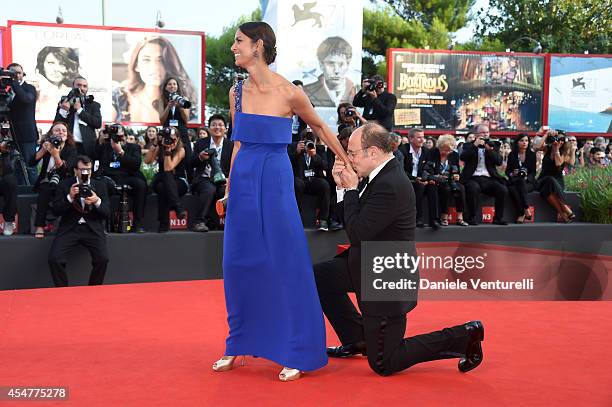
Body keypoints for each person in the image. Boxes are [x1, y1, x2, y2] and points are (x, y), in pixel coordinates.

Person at [213, 21, 350, 382]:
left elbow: (319, 127)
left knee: (286, 262)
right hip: (242, 182)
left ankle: (299, 350)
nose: (233, 47)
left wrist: (344, 159)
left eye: (238, 41)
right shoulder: (236, 93)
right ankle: (239, 342)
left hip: (274, 181)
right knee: (239, 262)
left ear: (258, 46)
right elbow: (238, 143)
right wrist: (229, 186)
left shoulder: (289, 92)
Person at [314, 123, 484, 376]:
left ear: (372, 152)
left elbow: (357, 233)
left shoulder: (389, 184)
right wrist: (343, 189)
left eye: (351, 152)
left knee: (384, 363)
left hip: (386, 277)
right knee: (319, 277)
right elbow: (353, 220)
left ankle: (464, 335)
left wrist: (349, 189)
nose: (347, 158)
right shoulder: (381, 175)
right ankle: (357, 339)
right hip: (368, 262)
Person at [48, 155, 110, 287]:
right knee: (54, 259)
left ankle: (94, 289)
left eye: (88, 169)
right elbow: (56, 210)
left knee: (103, 259)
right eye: (82, 170)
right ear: (75, 170)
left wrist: (97, 201)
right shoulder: (65, 184)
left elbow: (106, 212)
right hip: (70, 227)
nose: (86, 173)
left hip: (92, 228)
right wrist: (69, 197)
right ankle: (62, 291)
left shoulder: (99, 185)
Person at [112, 36, 198, 123]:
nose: (155, 67)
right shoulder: (119, 95)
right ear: (136, 66)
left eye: (160, 60)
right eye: (146, 60)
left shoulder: (183, 100)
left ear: (169, 64)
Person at [95, 124, 147, 233]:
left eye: (121, 136)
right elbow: (94, 156)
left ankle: (138, 223)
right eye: (116, 136)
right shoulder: (104, 147)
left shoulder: (134, 147)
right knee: (101, 184)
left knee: (140, 185)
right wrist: (100, 139)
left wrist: (121, 152)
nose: (119, 138)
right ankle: (104, 224)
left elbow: (136, 164)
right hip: (109, 177)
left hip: (127, 176)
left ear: (125, 136)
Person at [31, 121, 77, 238]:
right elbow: (31, 163)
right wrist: (43, 150)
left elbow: (65, 171)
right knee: (45, 189)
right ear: (51, 133)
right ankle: (40, 226)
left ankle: (64, 226)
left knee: (61, 191)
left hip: (64, 181)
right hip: (46, 181)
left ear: (67, 135)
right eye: (57, 130)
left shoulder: (71, 150)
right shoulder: (47, 145)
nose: (61, 132)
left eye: (64, 131)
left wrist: (56, 154)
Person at [190, 114, 233, 232]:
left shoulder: (231, 145)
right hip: (205, 178)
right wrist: (200, 157)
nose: (217, 127)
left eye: (220, 125)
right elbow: (190, 163)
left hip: (224, 179)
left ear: (226, 128)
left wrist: (229, 179)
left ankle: (230, 223)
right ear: (209, 128)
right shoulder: (201, 143)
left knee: (229, 192)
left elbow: (235, 165)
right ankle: (199, 221)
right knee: (209, 190)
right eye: (214, 125)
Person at [460, 124, 509, 225]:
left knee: (502, 190)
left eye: (487, 132)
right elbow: (463, 157)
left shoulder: (494, 145)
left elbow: (499, 162)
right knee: (473, 188)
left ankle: (498, 218)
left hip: (488, 178)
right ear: (477, 134)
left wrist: (489, 150)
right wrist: (475, 146)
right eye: (482, 132)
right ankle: (471, 217)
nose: (485, 135)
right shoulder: (468, 145)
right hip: (472, 178)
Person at [144, 126, 188, 232]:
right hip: (161, 178)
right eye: (167, 138)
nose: (170, 141)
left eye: (172, 139)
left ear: (177, 139)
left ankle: (163, 223)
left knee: (163, 187)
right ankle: (178, 207)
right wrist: (155, 144)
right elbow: (147, 161)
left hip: (179, 181)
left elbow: (168, 168)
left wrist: (168, 151)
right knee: (164, 180)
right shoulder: (160, 147)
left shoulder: (181, 149)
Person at [290, 128, 331, 231]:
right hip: (300, 180)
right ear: (301, 140)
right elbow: (287, 163)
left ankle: (323, 220)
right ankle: (296, 219)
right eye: (306, 141)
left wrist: (315, 155)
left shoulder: (319, 149)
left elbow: (325, 166)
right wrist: (297, 152)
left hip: (313, 180)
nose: (308, 144)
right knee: (297, 184)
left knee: (324, 184)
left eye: (311, 141)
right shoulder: (294, 147)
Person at [54, 76, 102, 158]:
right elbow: (56, 124)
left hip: (87, 146)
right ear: (73, 87)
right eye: (79, 85)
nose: (82, 88)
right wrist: (63, 110)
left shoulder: (94, 105)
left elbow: (97, 123)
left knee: (86, 170)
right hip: (68, 145)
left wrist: (80, 110)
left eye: (84, 86)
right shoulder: (65, 102)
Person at [7, 63, 38, 185]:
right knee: (16, 169)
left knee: (30, 167)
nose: (15, 76)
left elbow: (26, 99)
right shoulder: (6, 90)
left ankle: (34, 196)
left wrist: (14, 83)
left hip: (27, 136)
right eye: (12, 73)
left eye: (18, 73)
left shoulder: (29, 88)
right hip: (11, 136)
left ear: (23, 74)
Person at [401, 128, 439, 228]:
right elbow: (401, 170)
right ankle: (418, 218)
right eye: (419, 138)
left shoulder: (426, 151)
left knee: (432, 187)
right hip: (407, 181)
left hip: (422, 180)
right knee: (419, 187)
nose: (422, 140)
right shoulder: (403, 150)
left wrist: (427, 179)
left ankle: (433, 220)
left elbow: (429, 168)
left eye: (423, 137)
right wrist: (415, 178)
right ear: (411, 139)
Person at [303, 36, 356, 108]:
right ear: (321, 65)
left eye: (341, 64)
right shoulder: (306, 92)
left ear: (348, 65)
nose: (336, 71)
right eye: (331, 64)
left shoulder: (358, 92)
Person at [537, 130, 576, 223]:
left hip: (557, 181)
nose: (560, 141)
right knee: (549, 179)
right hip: (543, 178)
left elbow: (558, 164)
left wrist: (556, 150)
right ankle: (565, 207)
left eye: (562, 139)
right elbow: (537, 147)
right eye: (558, 139)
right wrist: (546, 134)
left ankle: (562, 214)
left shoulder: (565, 153)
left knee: (547, 191)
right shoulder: (547, 148)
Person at [159, 77, 194, 179]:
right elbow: (161, 120)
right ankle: (166, 176)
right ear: (165, 87)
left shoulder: (183, 99)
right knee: (167, 153)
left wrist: (180, 106)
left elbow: (186, 119)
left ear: (178, 87)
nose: (172, 86)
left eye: (174, 84)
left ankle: (189, 180)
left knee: (187, 156)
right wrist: (169, 106)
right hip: (167, 131)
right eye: (169, 84)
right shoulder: (161, 100)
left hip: (181, 131)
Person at [430, 135, 469, 226]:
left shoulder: (454, 155)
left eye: (450, 150)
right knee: (446, 189)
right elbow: (429, 169)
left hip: (451, 179)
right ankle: (444, 216)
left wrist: (456, 175)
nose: (447, 153)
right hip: (438, 179)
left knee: (461, 188)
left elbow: (457, 170)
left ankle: (460, 217)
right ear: (440, 147)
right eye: (445, 150)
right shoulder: (433, 153)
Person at [33, 47, 80, 120]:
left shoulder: (71, 92)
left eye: (62, 64)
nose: (56, 69)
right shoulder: (34, 89)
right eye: (51, 63)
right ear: (42, 64)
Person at [506, 133, 536, 224]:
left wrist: (527, 177)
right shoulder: (512, 154)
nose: (524, 143)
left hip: (528, 183)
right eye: (522, 140)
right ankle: (526, 209)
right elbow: (508, 171)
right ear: (517, 142)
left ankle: (521, 214)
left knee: (518, 186)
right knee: (514, 187)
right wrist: (513, 173)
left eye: (526, 141)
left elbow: (533, 172)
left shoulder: (532, 154)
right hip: (515, 181)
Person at [0, 127, 19, 236]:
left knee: (10, 181)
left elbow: (9, 170)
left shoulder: (7, 145)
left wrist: (5, 153)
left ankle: (8, 221)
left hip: (3, 179)